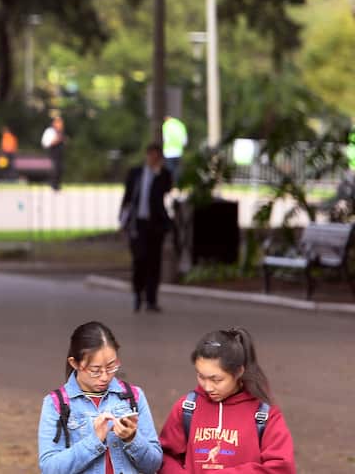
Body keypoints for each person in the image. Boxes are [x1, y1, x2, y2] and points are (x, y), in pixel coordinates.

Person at [157, 328, 294, 473]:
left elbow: (281, 467)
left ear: (239, 372)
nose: (208, 387)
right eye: (201, 377)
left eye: (216, 379)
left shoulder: (265, 413)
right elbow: (165, 456)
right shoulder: (187, 407)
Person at [37, 321, 162, 474]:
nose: (104, 377)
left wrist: (132, 439)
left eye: (111, 367)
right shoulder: (56, 404)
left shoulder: (133, 396)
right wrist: (94, 441)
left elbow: (154, 464)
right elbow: (49, 468)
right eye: (95, 370)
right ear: (74, 363)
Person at [119, 143, 173, 313]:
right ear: (146, 155)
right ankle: (137, 293)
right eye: (151, 155)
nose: (153, 159)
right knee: (139, 259)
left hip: (155, 225)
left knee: (154, 262)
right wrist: (122, 220)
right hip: (138, 223)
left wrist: (157, 173)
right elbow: (127, 198)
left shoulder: (163, 175)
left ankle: (151, 300)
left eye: (157, 156)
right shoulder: (135, 174)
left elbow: (165, 189)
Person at [42, 116, 66, 190]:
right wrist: (56, 140)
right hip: (52, 152)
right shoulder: (50, 131)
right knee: (54, 168)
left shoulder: (60, 132)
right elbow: (46, 143)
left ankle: (57, 185)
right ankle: (53, 184)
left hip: (59, 153)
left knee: (60, 168)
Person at [161, 115, 187, 182]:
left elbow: (165, 138)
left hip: (168, 151)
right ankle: (177, 184)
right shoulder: (180, 124)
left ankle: (170, 185)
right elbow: (184, 140)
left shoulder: (166, 125)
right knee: (177, 169)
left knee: (169, 170)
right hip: (178, 150)